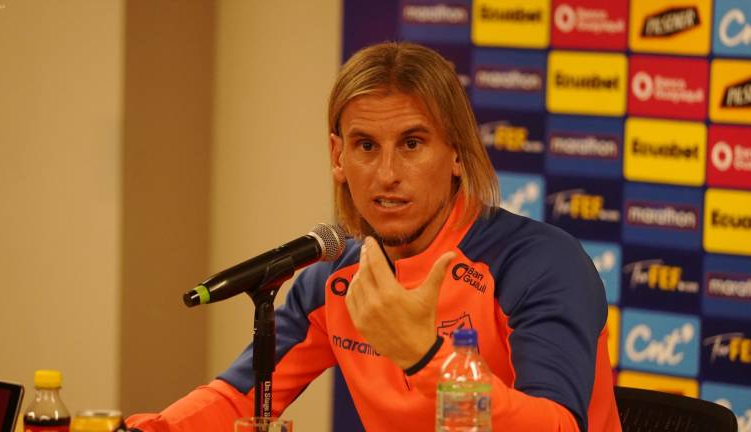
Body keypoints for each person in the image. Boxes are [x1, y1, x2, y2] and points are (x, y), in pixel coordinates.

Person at [127, 42, 620, 432]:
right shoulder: (332, 278)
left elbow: (556, 425)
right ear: (338, 157)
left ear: (456, 153)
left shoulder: (541, 264)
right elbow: (238, 399)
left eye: (412, 143)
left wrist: (426, 358)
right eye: (366, 146)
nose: (387, 174)